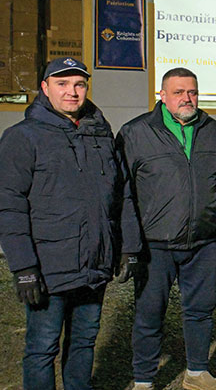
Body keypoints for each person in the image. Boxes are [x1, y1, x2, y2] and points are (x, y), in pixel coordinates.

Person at [0, 57, 141, 390]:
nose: (72, 92)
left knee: (83, 343)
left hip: (94, 265)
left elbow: (124, 195)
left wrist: (129, 247)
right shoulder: (22, 138)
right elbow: (9, 205)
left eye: (79, 85)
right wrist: (24, 267)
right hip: (49, 269)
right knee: (42, 348)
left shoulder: (100, 134)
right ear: (45, 88)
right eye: (62, 84)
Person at [117, 68, 216, 390]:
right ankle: (143, 380)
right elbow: (123, 193)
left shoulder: (214, 130)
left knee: (200, 311)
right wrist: (129, 244)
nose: (187, 98)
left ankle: (197, 373)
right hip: (155, 245)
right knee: (149, 315)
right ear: (162, 96)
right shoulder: (135, 132)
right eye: (179, 92)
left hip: (203, 242)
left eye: (192, 92)